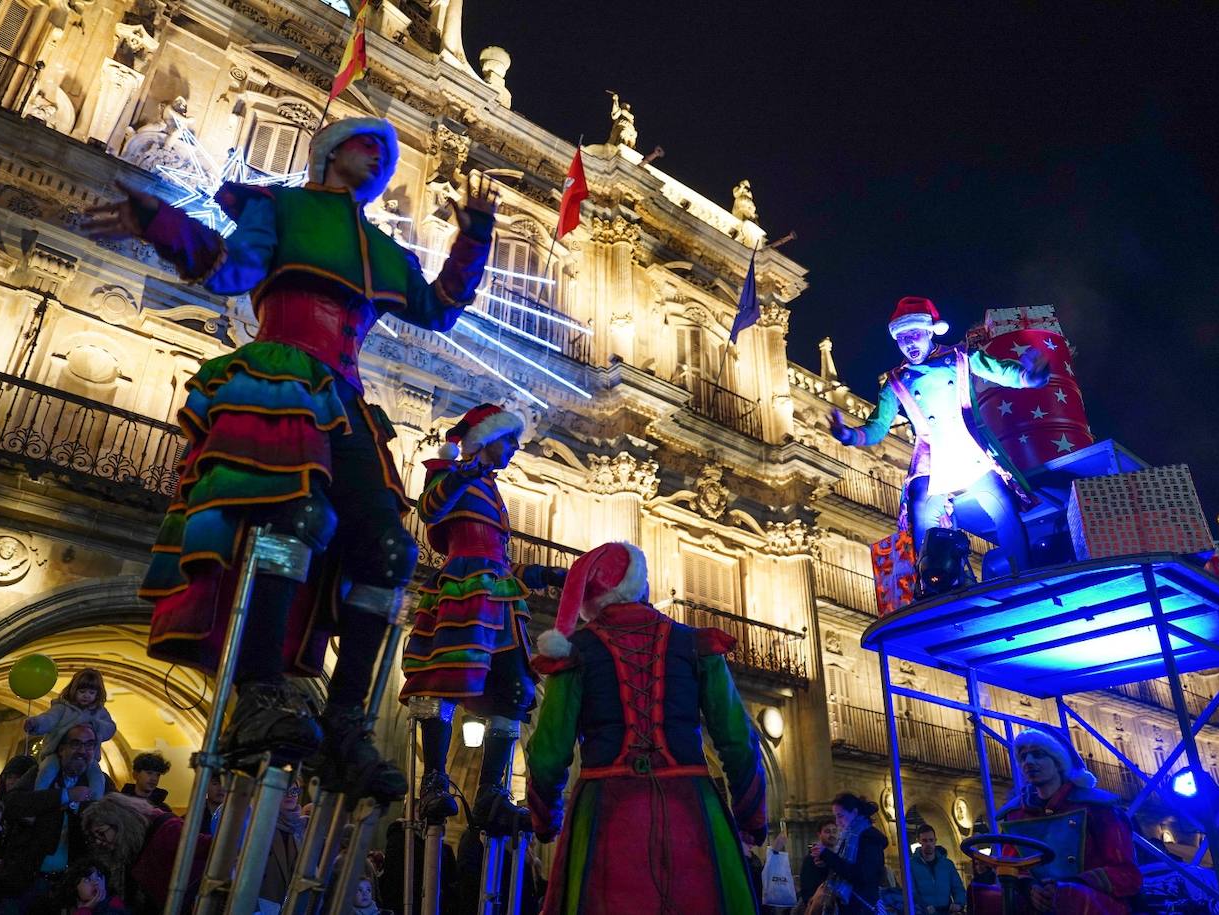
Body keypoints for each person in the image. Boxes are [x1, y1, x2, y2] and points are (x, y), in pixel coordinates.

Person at [84, 116, 497, 796]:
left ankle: (347, 719)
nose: (384, 157)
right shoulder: (280, 207)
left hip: (347, 395)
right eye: (371, 144)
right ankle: (259, 691)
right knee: (294, 513)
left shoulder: (379, 247)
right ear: (332, 152)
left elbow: (439, 306)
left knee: (390, 551)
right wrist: (160, 223)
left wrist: (474, 235)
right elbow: (230, 270)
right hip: (283, 372)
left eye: (390, 153)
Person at [525, 542, 769, 914]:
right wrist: (751, 815)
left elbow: (548, 753)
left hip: (605, 811)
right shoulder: (695, 644)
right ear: (640, 585)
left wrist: (546, 820)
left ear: (592, 600)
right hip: (692, 809)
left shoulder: (574, 653)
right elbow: (737, 738)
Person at [399, 404, 566, 832]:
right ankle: (435, 780)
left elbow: (499, 557)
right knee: (447, 677)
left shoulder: (493, 491)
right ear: (487, 438)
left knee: (514, 688)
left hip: (499, 595)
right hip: (462, 587)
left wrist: (541, 574)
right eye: (509, 439)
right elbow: (430, 509)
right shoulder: (449, 472)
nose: (514, 448)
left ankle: (492, 790)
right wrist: (462, 473)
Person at [831, 296, 1050, 575]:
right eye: (902, 339)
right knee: (922, 517)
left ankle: (1023, 572)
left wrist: (1034, 375)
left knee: (1003, 508)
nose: (909, 344)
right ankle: (934, 585)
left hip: (970, 453)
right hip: (932, 462)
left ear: (929, 331)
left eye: (915, 335)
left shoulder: (961, 357)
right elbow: (877, 426)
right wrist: (849, 435)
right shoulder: (896, 381)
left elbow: (1005, 373)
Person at [970, 727, 1142, 915]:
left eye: (1038, 754)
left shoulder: (1097, 809)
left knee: (1072, 896)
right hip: (1035, 904)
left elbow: (1127, 874)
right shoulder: (1015, 814)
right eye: (1023, 756)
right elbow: (1011, 865)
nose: (1028, 762)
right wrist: (1030, 889)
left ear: (1058, 761)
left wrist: (1071, 886)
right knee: (985, 897)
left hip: (1091, 902)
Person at [0, 723, 114, 914]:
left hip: (68, 887)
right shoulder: (40, 773)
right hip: (25, 880)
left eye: (89, 745)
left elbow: (114, 821)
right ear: (61, 748)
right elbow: (11, 803)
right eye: (76, 744)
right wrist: (65, 795)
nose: (82, 751)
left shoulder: (100, 782)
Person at [82, 792, 209, 915]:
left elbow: (210, 847)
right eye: (95, 837)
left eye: (101, 833)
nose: (99, 841)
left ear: (119, 823)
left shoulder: (168, 829)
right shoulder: (129, 847)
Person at [210, 777, 307, 912]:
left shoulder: (300, 828)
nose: (290, 795)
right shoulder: (256, 825)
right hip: (260, 906)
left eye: (295, 791)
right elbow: (237, 872)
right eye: (284, 791)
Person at [25, 668, 115, 797]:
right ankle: (39, 796)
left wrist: (95, 724)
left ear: (97, 694)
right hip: (57, 753)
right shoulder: (62, 708)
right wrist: (35, 723)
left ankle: (95, 802)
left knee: (97, 777)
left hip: (88, 758)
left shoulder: (99, 713)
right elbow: (49, 719)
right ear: (74, 690)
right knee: (47, 770)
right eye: (82, 691)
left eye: (91, 692)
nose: (86, 695)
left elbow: (110, 728)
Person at [812, 793, 887, 915]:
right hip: (848, 904)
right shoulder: (847, 836)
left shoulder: (869, 838)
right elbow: (842, 868)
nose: (837, 822)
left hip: (862, 906)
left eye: (840, 816)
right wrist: (824, 863)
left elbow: (860, 875)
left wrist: (827, 855)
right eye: (836, 817)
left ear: (854, 812)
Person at [911, 823, 966, 914]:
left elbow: (958, 888)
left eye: (931, 840)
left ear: (935, 840)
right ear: (919, 841)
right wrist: (923, 907)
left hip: (946, 911)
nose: (928, 843)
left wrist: (959, 903)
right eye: (924, 840)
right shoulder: (911, 865)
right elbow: (912, 892)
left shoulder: (947, 865)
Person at [795, 817, 837, 915]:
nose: (832, 835)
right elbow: (807, 888)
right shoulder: (810, 860)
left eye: (834, 831)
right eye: (827, 831)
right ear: (819, 834)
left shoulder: (839, 857)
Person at [62, 859, 127, 914]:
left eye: (99, 878)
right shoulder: (69, 908)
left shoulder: (115, 904)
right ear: (74, 886)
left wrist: (85, 909)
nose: (96, 883)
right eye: (87, 880)